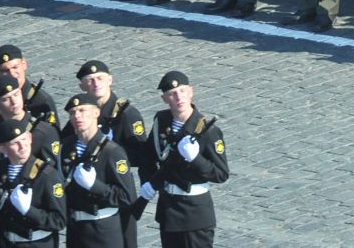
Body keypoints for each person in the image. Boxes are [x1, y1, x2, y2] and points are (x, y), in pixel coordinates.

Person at [139, 71, 227, 248]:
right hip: (168, 209)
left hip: (195, 213)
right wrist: (148, 183)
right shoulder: (161, 121)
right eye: (172, 93)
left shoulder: (208, 131)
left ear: (190, 92)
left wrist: (195, 159)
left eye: (182, 91)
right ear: (165, 98)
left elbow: (221, 174)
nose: (178, 96)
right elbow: (147, 157)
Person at [58, 91, 133, 248]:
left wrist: (95, 186)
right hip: (75, 230)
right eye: (72, 113)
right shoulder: (65, 147)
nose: (77, 116)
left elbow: (126, 196)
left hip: (103, 230)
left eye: (82, 110)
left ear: (96, 113)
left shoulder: (112, 151)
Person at [0, 114, 66, 247]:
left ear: (30, 138)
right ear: (3, 149)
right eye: (15, 143)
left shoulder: (46, 174)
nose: (22, 146)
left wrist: (29, 211)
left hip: (37, 243)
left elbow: (58, 221)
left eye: (24, 139)